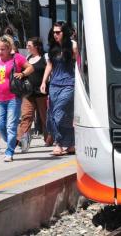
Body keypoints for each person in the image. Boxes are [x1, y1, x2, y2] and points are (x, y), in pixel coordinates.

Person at [0, 35, 33, 162]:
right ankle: (16, 142)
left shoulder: (17, 58)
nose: (0, 52)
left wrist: (22, 73)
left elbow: (30, 67)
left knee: (11, 126)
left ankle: (9, 152)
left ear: (9, 49)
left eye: (3, 49)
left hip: (13, 97)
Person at [41, 21, 77, 156]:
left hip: (69, 84)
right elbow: (49, 65)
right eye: (54, 32)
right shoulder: (53, 48)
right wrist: (44, 81)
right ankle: (70, 144)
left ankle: (58, 142)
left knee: (58, 113)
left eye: (58, 32)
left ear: (65, 33)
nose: (55, 34)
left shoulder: (73, 46)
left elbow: (79, 64)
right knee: (61, 115)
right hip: (54, 85)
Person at [16, 37, 50, 153]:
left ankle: (49, 139)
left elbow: (51, 71)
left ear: (36, 46)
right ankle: (21, 140)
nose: (27, 48)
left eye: (29, 46)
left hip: (42, 93)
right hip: (28, 93)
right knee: (26, 116)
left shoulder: (45, 57)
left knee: (45, 117)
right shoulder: (27, 58)